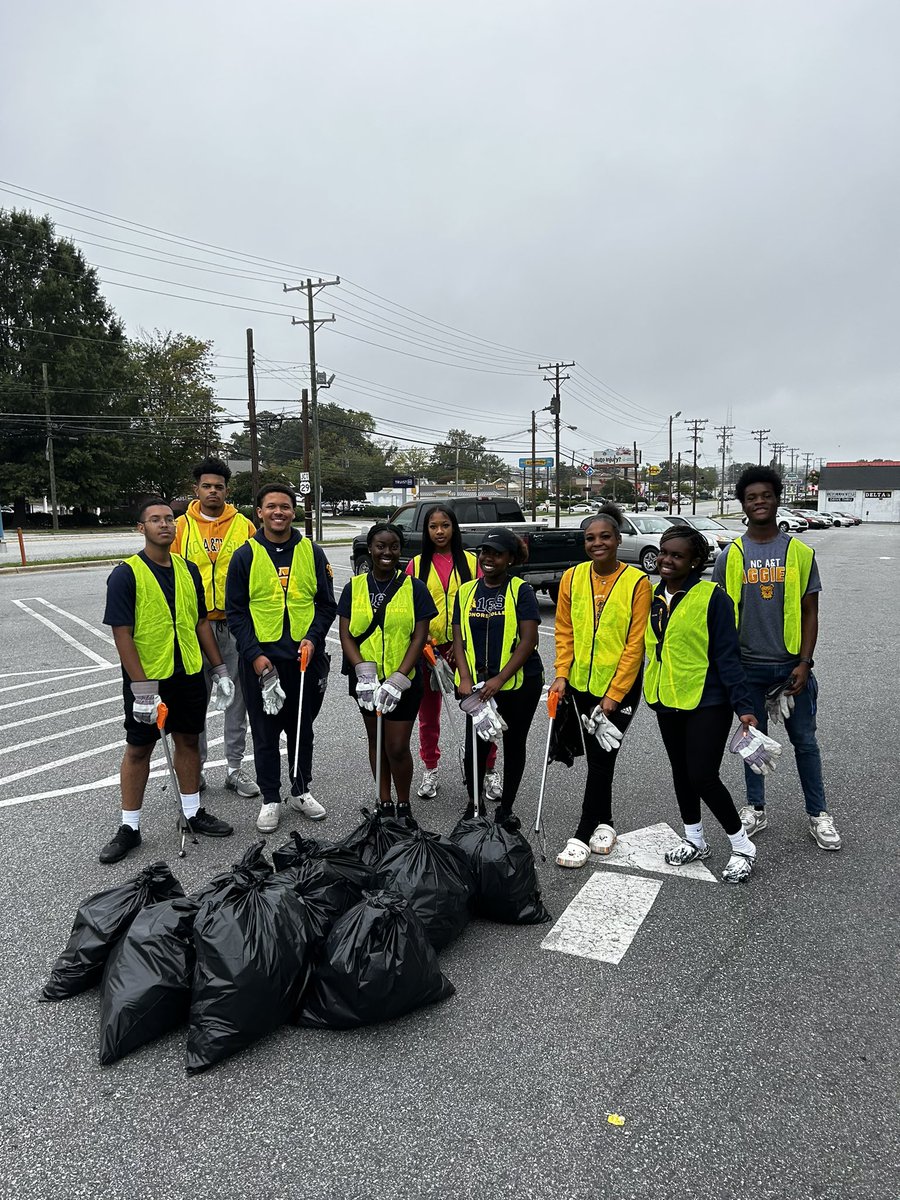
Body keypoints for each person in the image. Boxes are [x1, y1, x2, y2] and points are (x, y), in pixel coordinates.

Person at [99, 497, 235, 864]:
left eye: (169, 519)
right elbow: (122, 633)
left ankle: (191, 813)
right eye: (155, 520)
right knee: (138, 748)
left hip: (188, 673)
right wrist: (141, 690)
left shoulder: (188, 569)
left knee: (188, 741)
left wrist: (219, 669)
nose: (165, 524)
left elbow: (201, 622)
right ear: (140, 528)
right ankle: (130, 827)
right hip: (149, 679)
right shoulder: (126, 574)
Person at [712, 466, 840, 850]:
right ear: (743, 505)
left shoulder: (800, 553)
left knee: (805, 742)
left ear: (776, 498)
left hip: (790, 668)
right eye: (751, 497)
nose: (759, 502)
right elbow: (718, 617)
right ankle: (755, 808)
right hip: (747, 668)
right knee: (752, 743)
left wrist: (804, 662)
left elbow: (810, 611)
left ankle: (818, 815)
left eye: (765, 495)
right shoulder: (730, 555)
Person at [645, 526, 761, 884]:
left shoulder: (714, 597)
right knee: (681, 773)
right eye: (664, 552)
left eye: (677, 555)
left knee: (702, 775)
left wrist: (743, 706)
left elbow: (728, 656)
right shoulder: (652, 595)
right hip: (666, 698)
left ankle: (743, 847)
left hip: (707, 700)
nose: (666, 559)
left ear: (695, 561)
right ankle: (694, 838)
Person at [225, 484, 337, 834]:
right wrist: (255, 655)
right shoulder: (245, 555)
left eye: (285, 507)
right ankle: (271, 798)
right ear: (258, 512)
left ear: (293, 511)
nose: (279, 513)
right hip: (262, 662)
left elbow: (326, 604)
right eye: (271, 506)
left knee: (302, 729)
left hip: (304, 660)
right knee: (265, 732)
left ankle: (301, 791)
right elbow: (236, 612)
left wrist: (314, 638)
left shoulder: (312, 552)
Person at [550, 504, 652, 868]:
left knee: (602, 756)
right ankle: (605, 822)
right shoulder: (572, 577)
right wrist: (562, 673)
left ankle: (582, 832)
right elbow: (564, 630)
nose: (597, 543)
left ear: (618, 539)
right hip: (579, 685)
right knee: (597, 757)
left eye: (605, 537)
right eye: (590, 538)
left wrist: (613, 695)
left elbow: (635, 643)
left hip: (619, 691)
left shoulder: (638, 582)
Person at [172, 456, 259, 799]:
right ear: (196, 489)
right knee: (195, 702)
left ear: (227, 490)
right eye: (206, 486)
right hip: (195, 628)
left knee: (236, 701)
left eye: (218, 487)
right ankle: (197, 770)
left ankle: (235, 769)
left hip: (234, 625)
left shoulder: (244, 526)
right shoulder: (180, 526)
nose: (212, 492)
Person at [338, 523, 437, 820]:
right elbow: (346, 635)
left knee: (395, 746)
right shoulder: (353, 587)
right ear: (370, 548)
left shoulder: (414, 587)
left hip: (402, 681)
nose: (387, 552)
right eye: (381, 546)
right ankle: (383, 801)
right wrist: (363, 673)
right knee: (375, 741)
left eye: (393, 547)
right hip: (366, 681)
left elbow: (420, 636)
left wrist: (399, 677)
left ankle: (403, 803)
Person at [405, 505, 501, 801]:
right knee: (428, 715)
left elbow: (484, 604)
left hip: (466, 651)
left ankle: (488, 769)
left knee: (482, 711)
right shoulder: (416, 565)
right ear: (426, 530)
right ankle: (430, 767)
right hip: (428, 650)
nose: (439, 532)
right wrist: (425, 642)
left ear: (454, 528)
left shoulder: (471, 562)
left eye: (445, 525)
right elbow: (409, 610)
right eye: (433, 526)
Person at [452, 527, 543, 822]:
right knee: (476, 746)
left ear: (510, 558)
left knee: (514, 744)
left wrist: (500, 679)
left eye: (497, 553)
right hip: (477, 686)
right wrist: (465, 678)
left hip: (518, 684)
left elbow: (529, 640)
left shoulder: (521, 591)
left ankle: (506, 810)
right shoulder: (466, 591)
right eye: (484, 552)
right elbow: (458, 638)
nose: (488, 558)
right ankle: (474, 804)